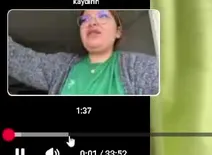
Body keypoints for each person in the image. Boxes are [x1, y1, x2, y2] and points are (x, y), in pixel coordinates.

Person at [7, 9, 159, 96]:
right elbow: (17, 59)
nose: (92, 22)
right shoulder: (61, 67)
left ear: (118, 31)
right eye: (85, 19)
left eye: (103, 16)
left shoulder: (137, 67)